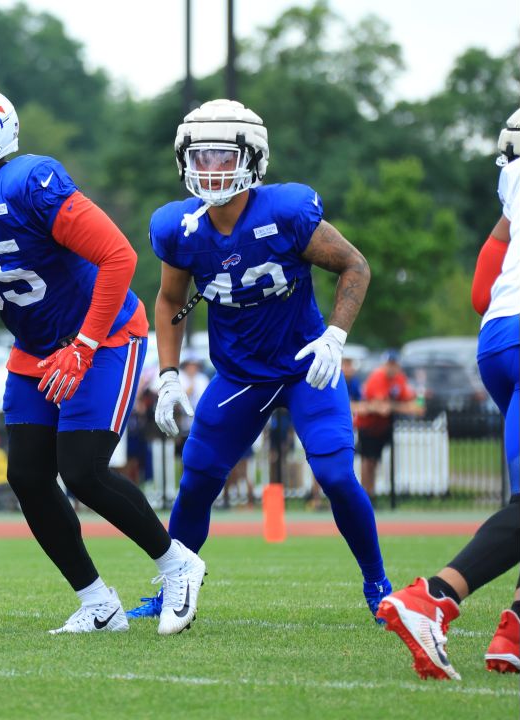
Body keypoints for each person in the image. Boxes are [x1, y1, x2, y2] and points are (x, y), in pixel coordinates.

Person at [0, 82, 206, 635]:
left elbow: (118, 256)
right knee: (26, 473)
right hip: (36, 347)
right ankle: (99, 604)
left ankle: (178, 564)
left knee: (85, 471)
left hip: (106, 334)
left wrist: (85, 345)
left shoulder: (29, 182)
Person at [135, 98, 391, 622]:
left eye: (222, 157)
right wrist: (166, 375)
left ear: (254, 159)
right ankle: (173, 587)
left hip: (304, 364)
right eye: (200, 157)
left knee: (337, 476)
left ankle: (378, 585)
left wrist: (336, 336)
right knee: (198, 478)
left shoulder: (287, 212)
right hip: (239, 375)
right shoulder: (177, 227)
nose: (210, 169)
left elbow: (355, 266)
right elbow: (167, 302)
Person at [377, 109, 520, 679]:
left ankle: (517, 630)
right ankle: (433, 598)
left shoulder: (518, 179)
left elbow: (481, 290)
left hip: (501, 340)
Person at [354, 350, 420, 500]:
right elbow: (382, 408)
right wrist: (399, 406)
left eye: (394, 364)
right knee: (367, 460)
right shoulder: (378, 377)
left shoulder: (399, 379)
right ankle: (366, 495)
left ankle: (371, 494)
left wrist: (395, 406)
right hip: (368, 425)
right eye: (389, 364)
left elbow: (415, 405)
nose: (392, 367)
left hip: (382, 427)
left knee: (374, 461)